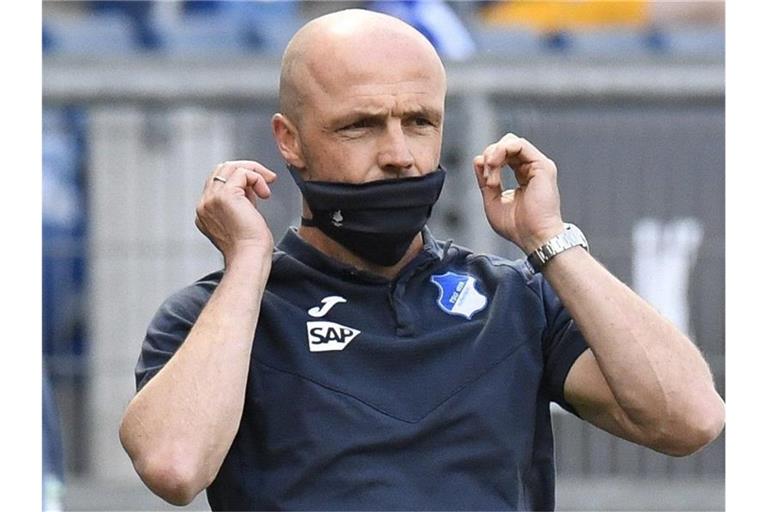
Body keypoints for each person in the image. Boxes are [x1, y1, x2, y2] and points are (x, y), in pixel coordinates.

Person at [118, 9, 725, 511]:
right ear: (289, 140)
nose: (399, 154)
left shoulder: (514, 299)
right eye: (359, 126)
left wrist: (551, 241)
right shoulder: (218, 314)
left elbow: (689, 418)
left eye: (419, 122)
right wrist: (250, 262)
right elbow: (174, 466)